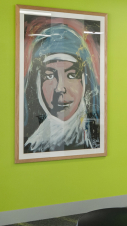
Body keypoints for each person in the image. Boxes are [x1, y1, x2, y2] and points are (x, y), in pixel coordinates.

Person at [23, 21, 101, 153]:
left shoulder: (96, 140)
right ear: (36, 82)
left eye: (71, 75)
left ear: (85, 80)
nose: (60, 88)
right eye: (49, 76)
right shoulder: (31, 146)